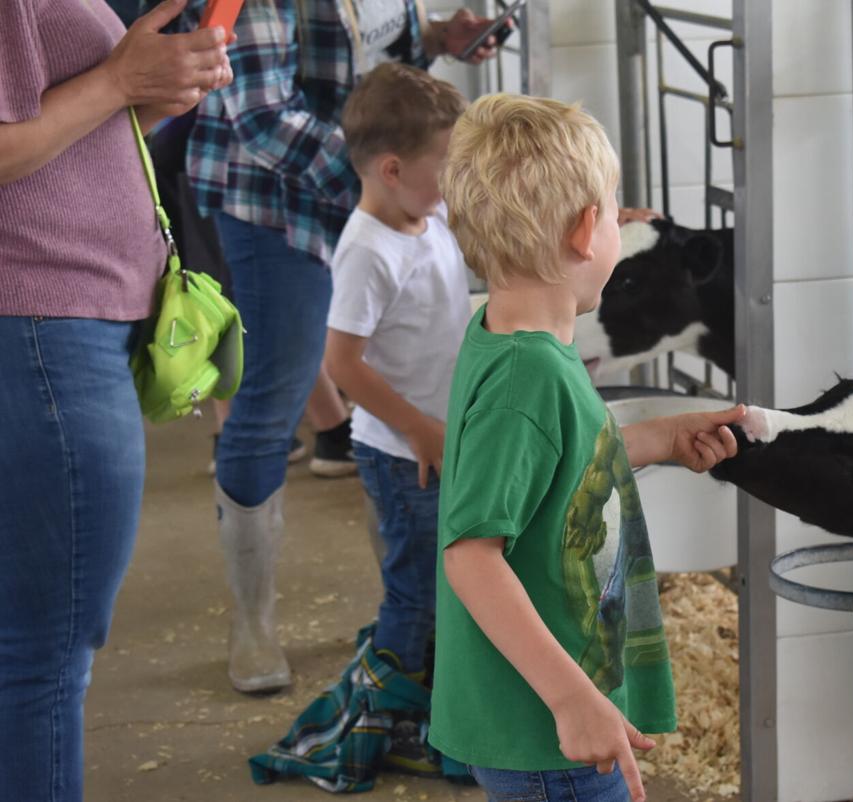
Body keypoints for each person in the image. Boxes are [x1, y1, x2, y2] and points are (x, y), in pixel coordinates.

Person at [181, 0, 506, 694]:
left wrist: (432, 39)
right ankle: (253, 622)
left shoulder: (404, 192)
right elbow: (261, 114)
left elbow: (373, 56)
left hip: (375, 187)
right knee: (273, 396)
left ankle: (402, 607)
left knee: (387, 375)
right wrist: (380, 195)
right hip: (276, 198)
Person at [429, 93, 746, 802]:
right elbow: (472, 558)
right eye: (614, 204)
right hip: (544, 728)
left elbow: (558, 471)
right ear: (587, 231)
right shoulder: (528, 377)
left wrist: (658, 439)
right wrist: (571, 700)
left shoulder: (513, 334)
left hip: (547, 715)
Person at [0, 1, 232, 798]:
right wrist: (117, 79)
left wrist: (147, 89)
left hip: (53, 321)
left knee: (36, 643)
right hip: (39, 320)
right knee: (44, 649)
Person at [325, 62, 470, 774]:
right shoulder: (368, 251)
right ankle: (392, 718)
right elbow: (343, 365)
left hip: (437, 438)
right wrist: (417, 427)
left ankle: (432, 696)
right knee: (414, 586)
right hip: (400, 450)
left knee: (447, 579)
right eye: (446, 163)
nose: (456, 177)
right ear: (390, 168)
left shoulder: (428, 213)